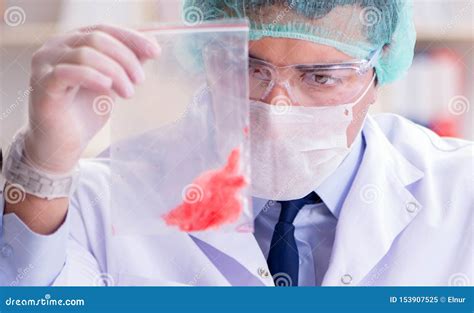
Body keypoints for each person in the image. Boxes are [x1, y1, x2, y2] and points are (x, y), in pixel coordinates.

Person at [0, 0, 472, 286]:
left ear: (379, 72)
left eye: (322, 77)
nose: (278, 108)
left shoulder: (460, 196)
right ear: (207, 55)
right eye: (249, 68)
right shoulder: (105, 197)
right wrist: (46, 163)